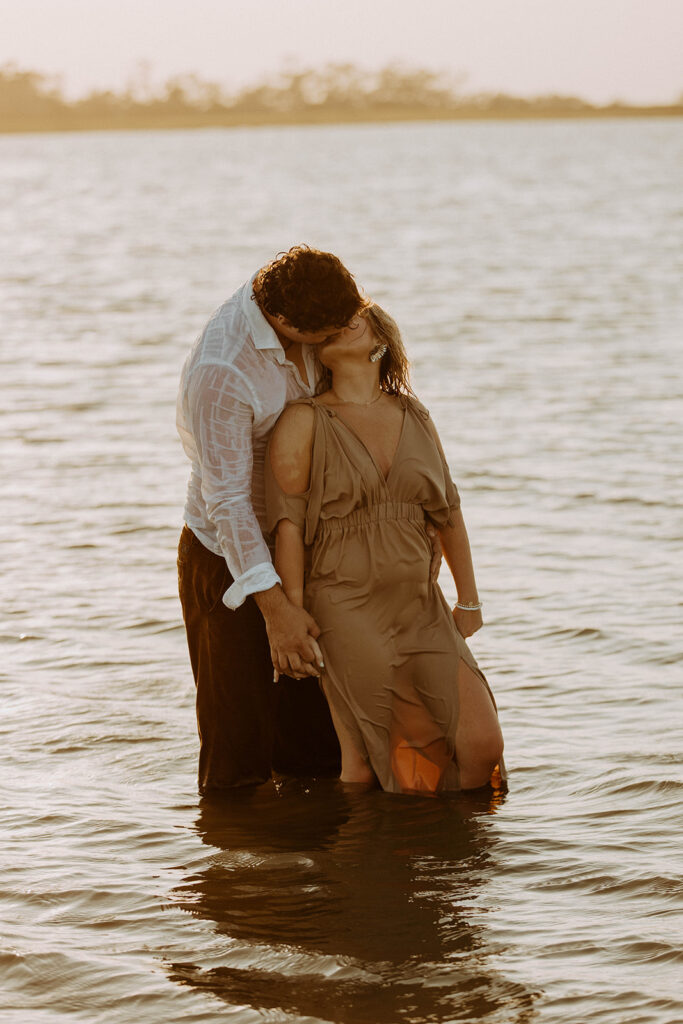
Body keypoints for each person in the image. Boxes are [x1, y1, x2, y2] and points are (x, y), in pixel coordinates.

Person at [265, 304, 507, 793]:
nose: (341, 322)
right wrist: (292, 616)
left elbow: (449, 512)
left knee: (482, 744)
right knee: (410, 769)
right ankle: (385, 858)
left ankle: (467, 860)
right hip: (345, 605)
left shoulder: (414, 414)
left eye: (355, 318)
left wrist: (470, 600)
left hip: (421, 603)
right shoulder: (305, 420)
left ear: (381, 342)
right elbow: (287, 527)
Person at [176, 245, 365, 793]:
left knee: (317, 744)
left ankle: (310, 863)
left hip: (307, 547)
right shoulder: (224, 368)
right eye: (330, 331)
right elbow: (229, 503)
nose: (346, 332)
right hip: (227, 559)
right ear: (284, 321)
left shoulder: (314, 309)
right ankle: (234, 867)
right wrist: (276, 608)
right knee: (238, 750)